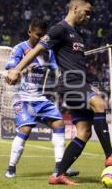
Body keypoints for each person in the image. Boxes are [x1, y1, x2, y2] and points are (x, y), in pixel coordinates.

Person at [6, 0, 112, 185]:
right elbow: (37, 49)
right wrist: (16, 69)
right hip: (70, 83)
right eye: (87, 13)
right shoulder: (59, 29)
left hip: (80, 82)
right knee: (99, 103)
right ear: (75, 8)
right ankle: (109, 154)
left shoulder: (77, 34)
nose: (88, 17)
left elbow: (75, 62)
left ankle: (59, 174)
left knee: (84, 132)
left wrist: (88, 83)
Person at [4, 19, 78, 179]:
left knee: (59, 123)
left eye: (43, 36)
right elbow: (10, 78)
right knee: (26, 129)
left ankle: (60, 167)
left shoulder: (47, 51)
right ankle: (11, 168)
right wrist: (25, 69)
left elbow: (56, 70)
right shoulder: (19, 49)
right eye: (38, 35)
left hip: (40, 98)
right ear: (29, 32)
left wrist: (64, 77)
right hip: (22, 98)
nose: (41, 39)